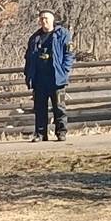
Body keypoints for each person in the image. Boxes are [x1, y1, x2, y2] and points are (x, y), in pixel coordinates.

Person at [23, 12, 70, 142]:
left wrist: (64, 70)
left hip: (57, 79)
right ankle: (40, 134)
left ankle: (61, 132)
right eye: (42, 18)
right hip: (39, 79)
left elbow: (69, 53)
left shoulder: (62, 34)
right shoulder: (35, 38)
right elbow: (28, 57)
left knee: (59, 107)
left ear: (52, 19)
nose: (44, 21)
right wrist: (28, 74)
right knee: (40, 108)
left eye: (46, 18)